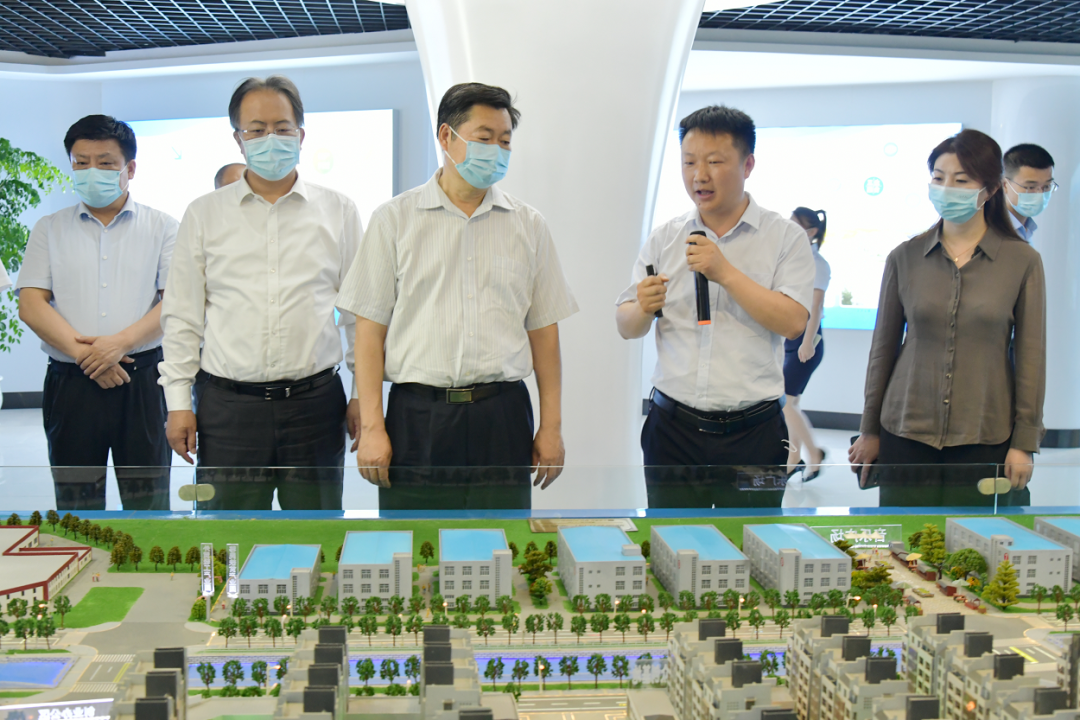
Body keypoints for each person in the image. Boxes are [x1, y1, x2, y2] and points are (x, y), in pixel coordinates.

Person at [337, 82, 578, 510]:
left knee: (501, 539)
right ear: (447, 137)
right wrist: (373, 426)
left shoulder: (528, 225)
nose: (497, 151)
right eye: (485, 138)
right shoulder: (394, 220)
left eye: (505, 141)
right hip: (418, 416)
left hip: (502, 415)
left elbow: (544, 333)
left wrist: (551, 426)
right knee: (414, 541)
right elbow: (370, 333)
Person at [160, 76, 363, 510]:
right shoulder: (204, 214)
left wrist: (363, 394)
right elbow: (182, 317)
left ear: (301, 135)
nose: (270, 138)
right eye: (256, 129)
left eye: (282, 127)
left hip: (315, 407)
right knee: (227, 534)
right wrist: (178, 403)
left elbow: (357, 316)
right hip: (228, 409)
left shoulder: (339, 210)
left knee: (317, 533)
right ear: (239, 140)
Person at [615, 105, 815, 509]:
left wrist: (725, 273)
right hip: (672, 430)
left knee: (749, 541)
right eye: (689, 162)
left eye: (714, 162)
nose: (699, 175)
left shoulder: (784, 237)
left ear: (748, 164)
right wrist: (642, 308)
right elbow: (626, 326)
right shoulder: (665, 238)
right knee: (671, 539)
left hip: (754, 433)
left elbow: (794, 322)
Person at [849, 129, 1045, 507]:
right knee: (905, 539)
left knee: (974, 540)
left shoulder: (1022, 261)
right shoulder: (904, 257)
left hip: (985, 433)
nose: (947, 188)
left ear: (990, 189)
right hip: (905, 431)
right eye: (938, 178)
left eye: (961, 180)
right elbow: (883, 351)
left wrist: (1024, 443)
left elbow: (1031, 359)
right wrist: (869, 430)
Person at [16, 115, 176, 511]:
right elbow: (31, 304)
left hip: (141, 379)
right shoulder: (49, 228)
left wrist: (118, 344)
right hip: (71, 381)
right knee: (77, 503)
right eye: (81, 162)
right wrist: (87, 355)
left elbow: (175, 302)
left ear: (129, 168)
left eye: (105, 163)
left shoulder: (163, 227)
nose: (92, 171)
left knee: (148, 499)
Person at [783, 207, 830, 480]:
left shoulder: (818, 263)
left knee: (786, 402)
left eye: (795, 224)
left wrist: (807, 342)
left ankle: (813, 455)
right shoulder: (795, 258)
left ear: (811, 232)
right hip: (793, 340)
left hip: (807, 341)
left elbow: (816, 305)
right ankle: (794, 459)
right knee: (791, 403)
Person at [1002, 143, 1057, 242]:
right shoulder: (991, 231)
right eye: (1030, 187)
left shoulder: (1027, 228)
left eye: (1047, 186)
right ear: (1005, 185)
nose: (1040, 194)